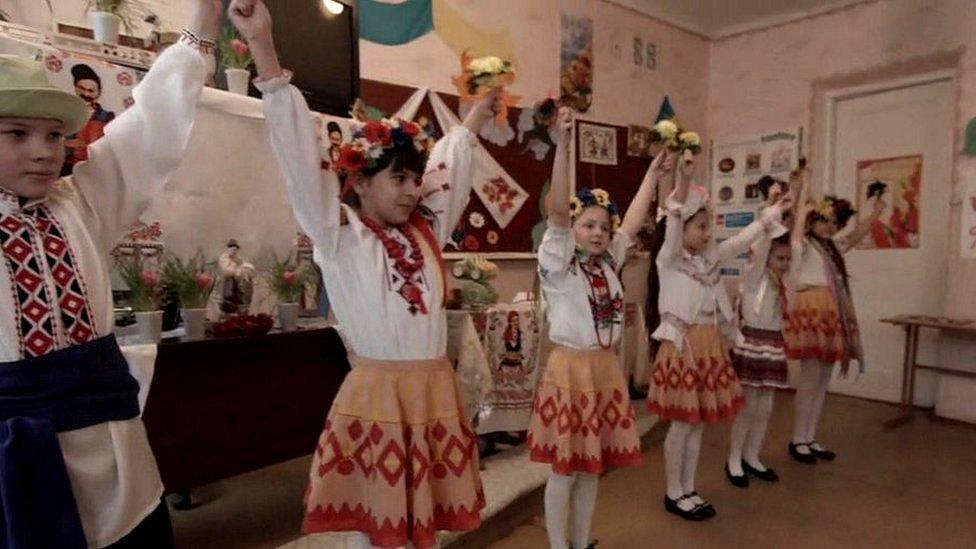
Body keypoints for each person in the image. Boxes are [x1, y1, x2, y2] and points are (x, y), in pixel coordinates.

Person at [228, 1, 499, 546]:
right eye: (398, 177)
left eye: (414, 178)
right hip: (378, 397)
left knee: (422, 519)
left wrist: (474, 116)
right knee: (375, 526)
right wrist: (264, 49)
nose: (411, 189)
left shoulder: (426, 230)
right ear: (362, 183)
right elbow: (300, 159)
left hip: (430, 395)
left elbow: (452, 165)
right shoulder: (340, 234)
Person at [0, 1, 221, 546]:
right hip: (16, 455)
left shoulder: (82, 203)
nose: (42, 152)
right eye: (17, 134)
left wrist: (208, 15)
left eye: (54, 136)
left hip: (112, 446)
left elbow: (150, 129)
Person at [529, 107, 673, 549]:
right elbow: (556, 210)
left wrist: (651, 173)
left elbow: (633, 217)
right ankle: (558, 545)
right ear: (571, 229)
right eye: (588, 225)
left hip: (603, 370)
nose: (598, 232)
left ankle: (582, 539)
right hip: (570, 374)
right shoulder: (558, 263)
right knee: (564, 467)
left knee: (592, 465)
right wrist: (564, 146)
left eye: (603, 226)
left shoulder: (610, 260)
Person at [647, 152, 793, 520]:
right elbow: (675, 224)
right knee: (682, 424)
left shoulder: (710, 260)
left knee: (697, 424)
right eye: (700, 226)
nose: (708, 232)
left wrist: (771, 212)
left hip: (709, 347)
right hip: (683, 348)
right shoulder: (670, 260)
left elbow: (745, 239)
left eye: (708, 225)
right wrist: (682, 182)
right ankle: (673, 491)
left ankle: (689, 487)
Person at [785, 169, 884, 463]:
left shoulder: (832, 248)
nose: (829, 227)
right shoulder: (803, 247)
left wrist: (875, 214)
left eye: (834, 223)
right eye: (824, 220)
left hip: (830, 313)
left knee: (824, 378)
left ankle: (809, 436)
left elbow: (855, 235)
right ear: (814, 220)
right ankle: (797, 439)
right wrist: (800, 194)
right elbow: (796, 231)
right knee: (810, 378)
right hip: (811, 311)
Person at [62, 63, 116, 174]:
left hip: (91, 170)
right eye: (81, 88)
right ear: (75, 88)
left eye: (91, 91)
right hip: (62, 167)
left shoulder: (107, 117)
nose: (86, 93)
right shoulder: (63, 112)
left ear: (98, 93)